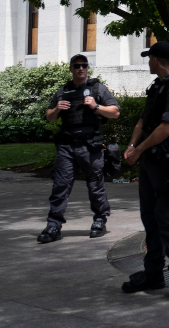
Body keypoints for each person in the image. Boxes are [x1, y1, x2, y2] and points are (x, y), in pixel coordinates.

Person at [121, 41, 169, 301]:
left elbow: (167, 128)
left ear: (155, 60)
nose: (148, 62)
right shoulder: (157, 87)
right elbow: (143, 121)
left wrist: (138, 150)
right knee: (150, 218)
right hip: (151, 164)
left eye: (149, 58)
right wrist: (132, 147)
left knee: (167, 218)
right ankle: (153, 274)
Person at [38, 55, 121, 243]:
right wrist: (57, 109)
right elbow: (50, 117)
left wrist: (96, 106)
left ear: (87, 68)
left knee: (95, 185)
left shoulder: (97, 89)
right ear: (71, 68)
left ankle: (100, 220)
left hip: (90, 145)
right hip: (67, 146)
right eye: (77, 66)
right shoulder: (63, 91)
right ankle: (53, 225)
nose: (80, 69)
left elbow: (115, 112)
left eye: (84, 66)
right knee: (60, 185)